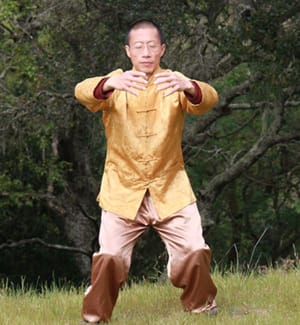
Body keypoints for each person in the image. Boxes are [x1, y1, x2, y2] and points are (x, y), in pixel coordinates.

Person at [75, 19, 218, 324]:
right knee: (109, 258)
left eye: (152, 45)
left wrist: (190, 86)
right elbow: (82, 92)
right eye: (139, 46)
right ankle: (95, 317)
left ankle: (201, 307)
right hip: (122, 189)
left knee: (194, 250)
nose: (146, 52)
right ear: (128, 51)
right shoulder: (115, 82)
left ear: (162, 49)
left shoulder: (174, 82)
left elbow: (209, 99)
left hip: (171, 186)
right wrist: (107, 84)